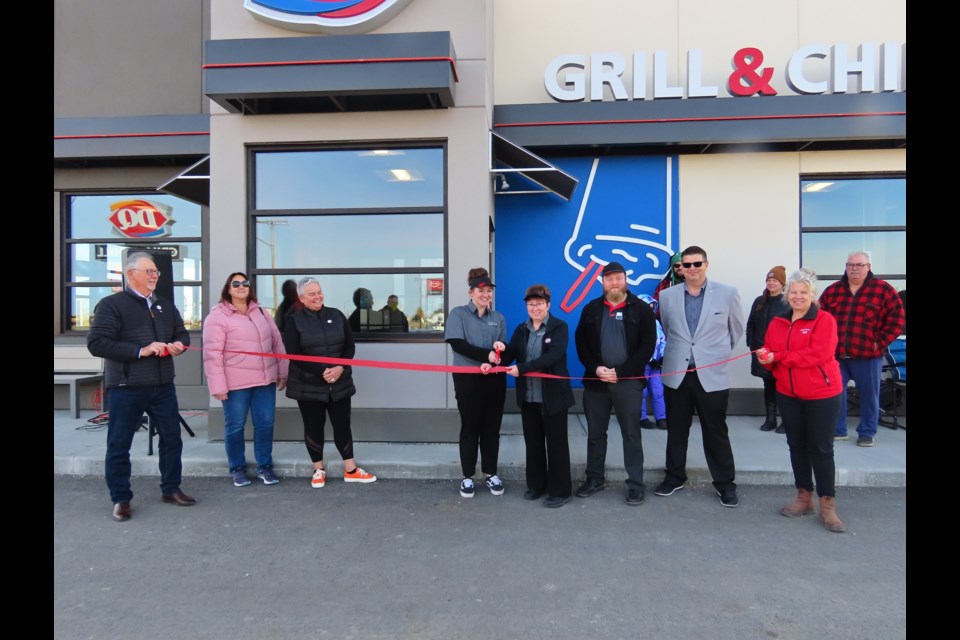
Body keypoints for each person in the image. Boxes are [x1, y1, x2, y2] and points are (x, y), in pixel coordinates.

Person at [87, 252, 195, 521]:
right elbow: (97, 343)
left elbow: (182, 333)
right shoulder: (111, 305)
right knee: (119, 444)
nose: (154, 276)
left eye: (156, 272)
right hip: (126, 386)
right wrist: (140, 350)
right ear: (130, 274)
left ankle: (171, 489)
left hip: (162, 385)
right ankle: (121, 498)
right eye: (148, 271)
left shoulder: (165, 306)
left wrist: (179, 345)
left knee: (172, 439)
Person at [655, 246, 745, 508]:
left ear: (706, 264)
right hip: (677, 374)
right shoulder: (668, 296)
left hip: (711, 374)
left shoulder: (727, 293)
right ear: (680, 268)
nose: (691, 269)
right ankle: (674, 476)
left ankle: (725, 483)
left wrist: (711, 354)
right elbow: (671, 331)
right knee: (676, 429)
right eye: (686, 265)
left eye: (697, 264)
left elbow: (735, 330)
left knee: (715, 430)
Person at [758, 269, 846, 533]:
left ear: (813, 295)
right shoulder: (777, 322)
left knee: (820, 449)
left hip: (822, 394)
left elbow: (817, 355)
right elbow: (770, 352)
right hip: (788, 394)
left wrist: (779, 358)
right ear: (787, 295)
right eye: (793, 292)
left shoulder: (824, 320)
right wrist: (767, 360)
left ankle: (827, 505)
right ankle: (803, 497)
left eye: (803, 292)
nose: (798, 297)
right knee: (796, 446)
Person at [574, 261, 657, 506]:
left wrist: (620, 372)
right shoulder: (590, 309)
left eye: (618, 278)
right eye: (609, 279)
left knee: (631, 434)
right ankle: (594, 479)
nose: (614, 283)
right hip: (596, 383)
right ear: (602, 282)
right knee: (596, 434)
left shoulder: (641, 309)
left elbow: (647, 346)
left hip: (628, 383)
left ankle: (635, 485)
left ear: (625, 280)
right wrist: (596, 368)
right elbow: (581, 344)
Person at [282, 277, 377, 488]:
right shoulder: (294, 321)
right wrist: (323, 372)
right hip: (308, 385)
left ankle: (351, 469)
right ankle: (318, 469)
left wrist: (339, 368)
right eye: (312, 294)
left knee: (342, 426)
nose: (318, 296)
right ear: (302, 298)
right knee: (313, 427)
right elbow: (295, 354)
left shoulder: (336, 315)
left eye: (319, 292)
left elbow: (349, 347)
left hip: (339, 382)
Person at [202, 272, 289, 487]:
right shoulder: (218, 316)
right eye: (236, 283)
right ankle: (237, 468)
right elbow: (212, 354)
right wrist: (218, 385)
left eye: (245, 283)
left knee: (265, 424)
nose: (241, 287)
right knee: (235, 426)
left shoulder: (261, 312)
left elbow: (277, 342)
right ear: (228, 289)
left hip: (264, 381)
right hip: (235, 384)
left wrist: (282, 371)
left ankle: (264, 466)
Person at [495, 284, 575, 508]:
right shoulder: (522, 329)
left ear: (548, 305)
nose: (535, 307)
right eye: (531, 304)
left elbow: (552, 357)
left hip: (553, 397)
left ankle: (560, 490)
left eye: (540, 303)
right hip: (529, 397)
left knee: (557, 444)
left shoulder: (560, 327)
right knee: (534, 443)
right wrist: (494, 360)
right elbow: (509, 354)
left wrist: (523, 368)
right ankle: (536, 485)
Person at [817, 250, 905, 447]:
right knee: (835, 393)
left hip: (868, 356)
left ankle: (867, 432)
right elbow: (820, 319)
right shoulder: (833, 290)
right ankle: (838, 429)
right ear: (846, 267)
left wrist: (879, 342)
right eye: (850, 265)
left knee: (869, 395)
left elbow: (897, 320)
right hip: (837, 355)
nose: (854, 268)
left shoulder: (883, 290)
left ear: (869, 267)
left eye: (859, 265)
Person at [444, 267, 508, 498]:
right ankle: (468, 477)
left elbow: (501, 348)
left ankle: (491, 473)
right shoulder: (458, 314)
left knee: (492, 429)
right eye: (481, 290)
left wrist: (500, 350)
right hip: (467, 380)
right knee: (470, 428)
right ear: (471, 292)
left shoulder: (498, 318)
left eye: (489, 290)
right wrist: (486, 357)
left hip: (493, 379)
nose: (485, 294)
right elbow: (457, 344)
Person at [745, 266, 789, 433]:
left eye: (775, 280)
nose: (771, 283)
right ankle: (770, 419)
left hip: (779, 354)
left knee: (783, 387)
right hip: (761, 352)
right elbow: (751, 323)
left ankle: (785, 421)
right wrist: (752, 343)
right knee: (768, 385)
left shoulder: (787, 302)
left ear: (782, 284)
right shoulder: (759, 301)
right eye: (769, 280)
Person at [637, 294, 667, 430]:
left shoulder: (656, 323)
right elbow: (637, 344)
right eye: (646, 307)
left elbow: (662, 341)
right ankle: (641, 417)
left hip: (655, 364)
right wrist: (647, 359)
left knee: (657, 390)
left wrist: (661, 357)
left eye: (652, 307)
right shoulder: (635, 323)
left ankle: (661, 417)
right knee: (641, 391)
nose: (650, 310)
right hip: (641, 364)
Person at [652, 251, 684, 318]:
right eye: (677, 265)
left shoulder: (694, 284)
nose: (680, 268)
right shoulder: (664, 286)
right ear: (672, 267)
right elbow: (656, 308)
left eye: (683, 265)